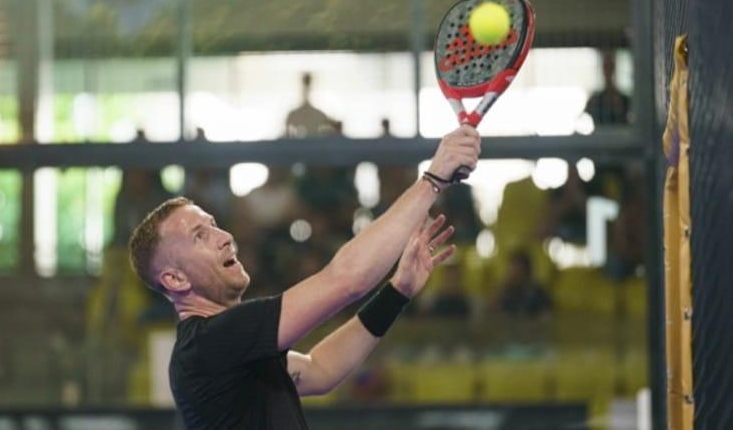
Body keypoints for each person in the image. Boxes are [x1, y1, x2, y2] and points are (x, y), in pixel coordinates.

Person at [127, 125, 480, 428]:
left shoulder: (228, 351)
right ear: (174, 280)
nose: (225, 237)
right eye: (199, 236)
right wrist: (433, 180)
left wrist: (397, 293)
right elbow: (346, 280)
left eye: (214, 225)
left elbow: (321, 368)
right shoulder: (209, 344)